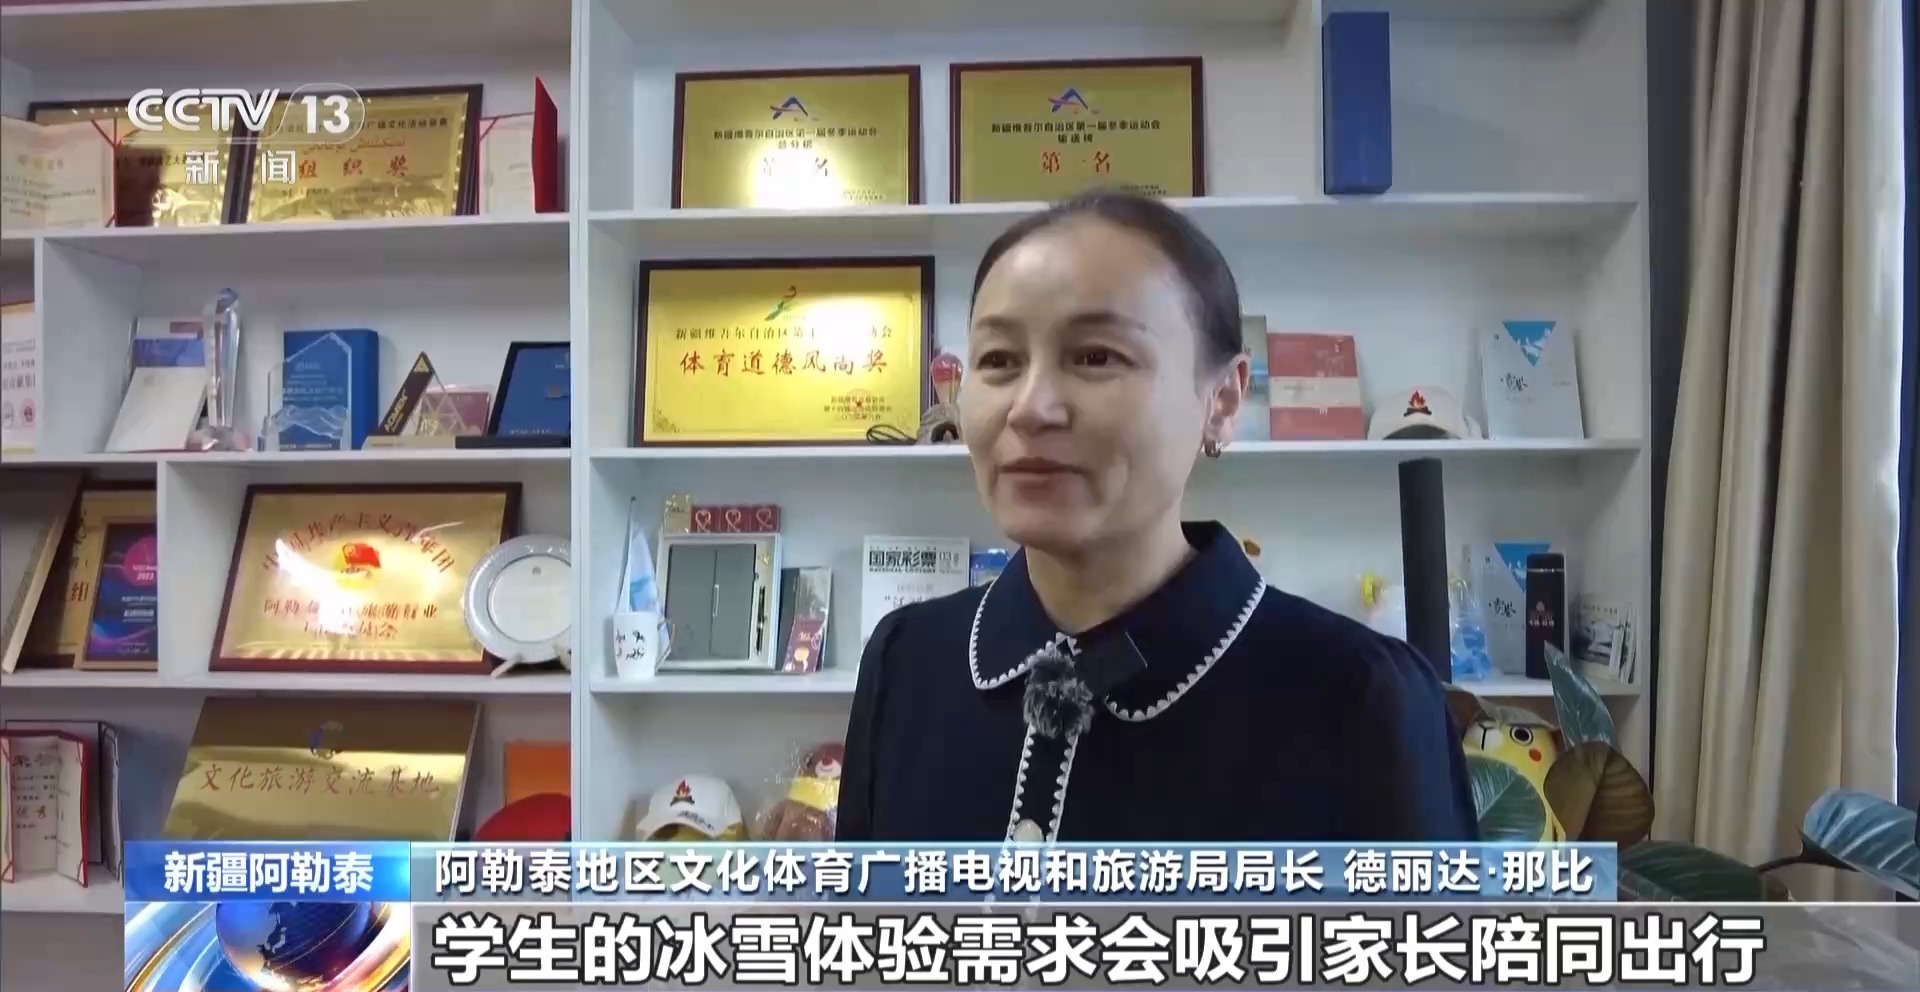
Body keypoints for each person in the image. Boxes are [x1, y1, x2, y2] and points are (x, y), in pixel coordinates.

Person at [836, 190, 1478, 843]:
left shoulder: (1361, 696)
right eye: (999, 360)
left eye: (1095, 357)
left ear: (1222, 400)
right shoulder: (906, 661)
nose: (1029, 408)